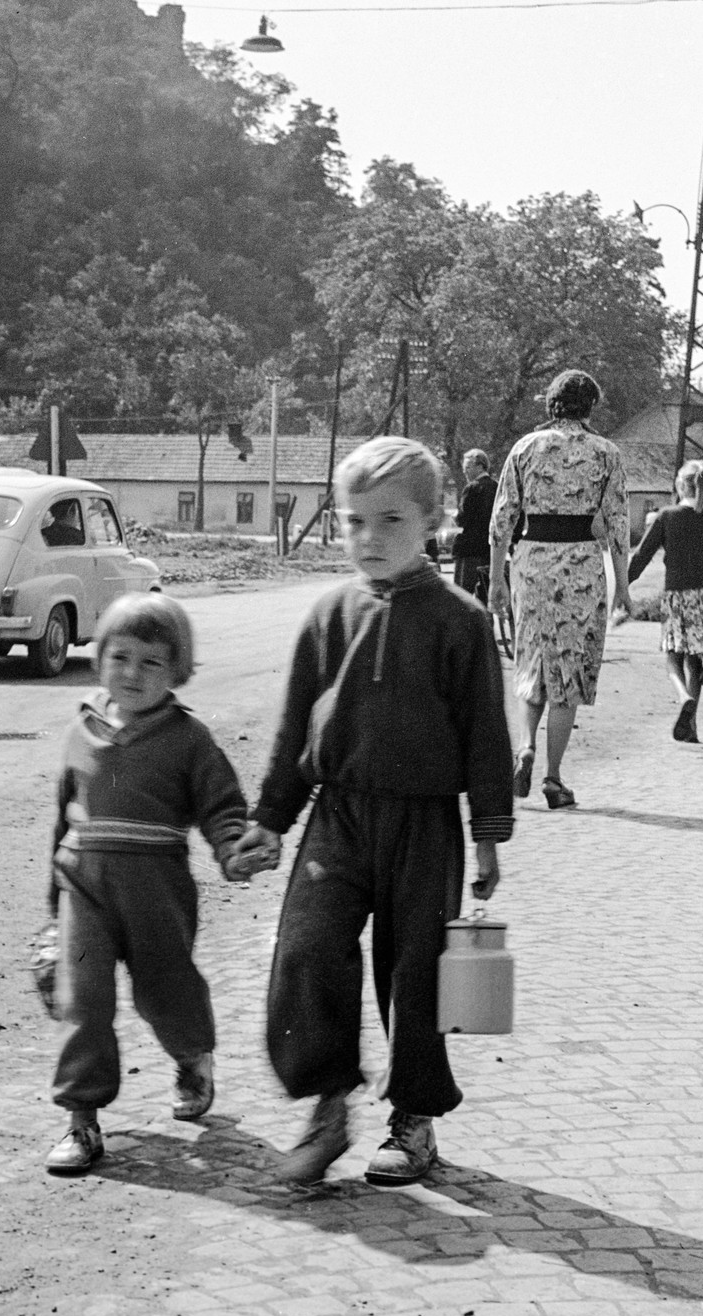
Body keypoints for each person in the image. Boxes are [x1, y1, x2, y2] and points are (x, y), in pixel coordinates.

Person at [232, 437, 513, 1188]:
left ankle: (413, 1120)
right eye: (354, 521)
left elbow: (487, 733)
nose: (369, 538)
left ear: (434, 520)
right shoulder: (328, 614)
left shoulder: (461, 621)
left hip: (425, 827)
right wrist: (270, 818)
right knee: (306, 950)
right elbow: (295, 728)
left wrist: (487, 836)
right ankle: (326, 1102)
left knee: (415, 972)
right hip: (338, 818)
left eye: (389, 520)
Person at [44, 593, 254, 1177]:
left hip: (157, 892)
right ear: (100, 657)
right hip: (83, 888)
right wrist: (50, 908)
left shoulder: (189, 740)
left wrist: (233, 849)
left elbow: (222, 808)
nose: (132, 673)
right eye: (121, 656)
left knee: (165, 991)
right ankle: (81, 1119)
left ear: (177, 670)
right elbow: (62, 820)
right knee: (82, 998)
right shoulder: (80, 730)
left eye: (152, 662)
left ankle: (192, 1057)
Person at [488, 369, 631, 809]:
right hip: (581, 563)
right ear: (591, 406)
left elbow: (502, 521)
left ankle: (525, 745)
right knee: (568, 670)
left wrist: (496, 579)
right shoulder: (607, 454)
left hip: (531, 561)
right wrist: (623, 586)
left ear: (551, 403)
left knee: (531, 659)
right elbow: (619, 526)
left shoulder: (525, 448)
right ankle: (553, 777)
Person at [626, 459, 703, 744]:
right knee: (696, 661)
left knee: (673, 656)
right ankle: (692, 725)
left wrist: (622, 586)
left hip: (678, 593)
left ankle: (683, 696)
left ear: (679, 486)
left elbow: (641, 556)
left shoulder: (667, 516)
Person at [450, 449, 497, 603]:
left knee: (461, 600)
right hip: (489, 552)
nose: (465, 472)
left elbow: (462, 519)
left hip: (469, 552)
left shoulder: (472, 488)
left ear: (480, 466)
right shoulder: (498, 488)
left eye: (467, 468)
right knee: (484, 602)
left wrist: (455, 517)